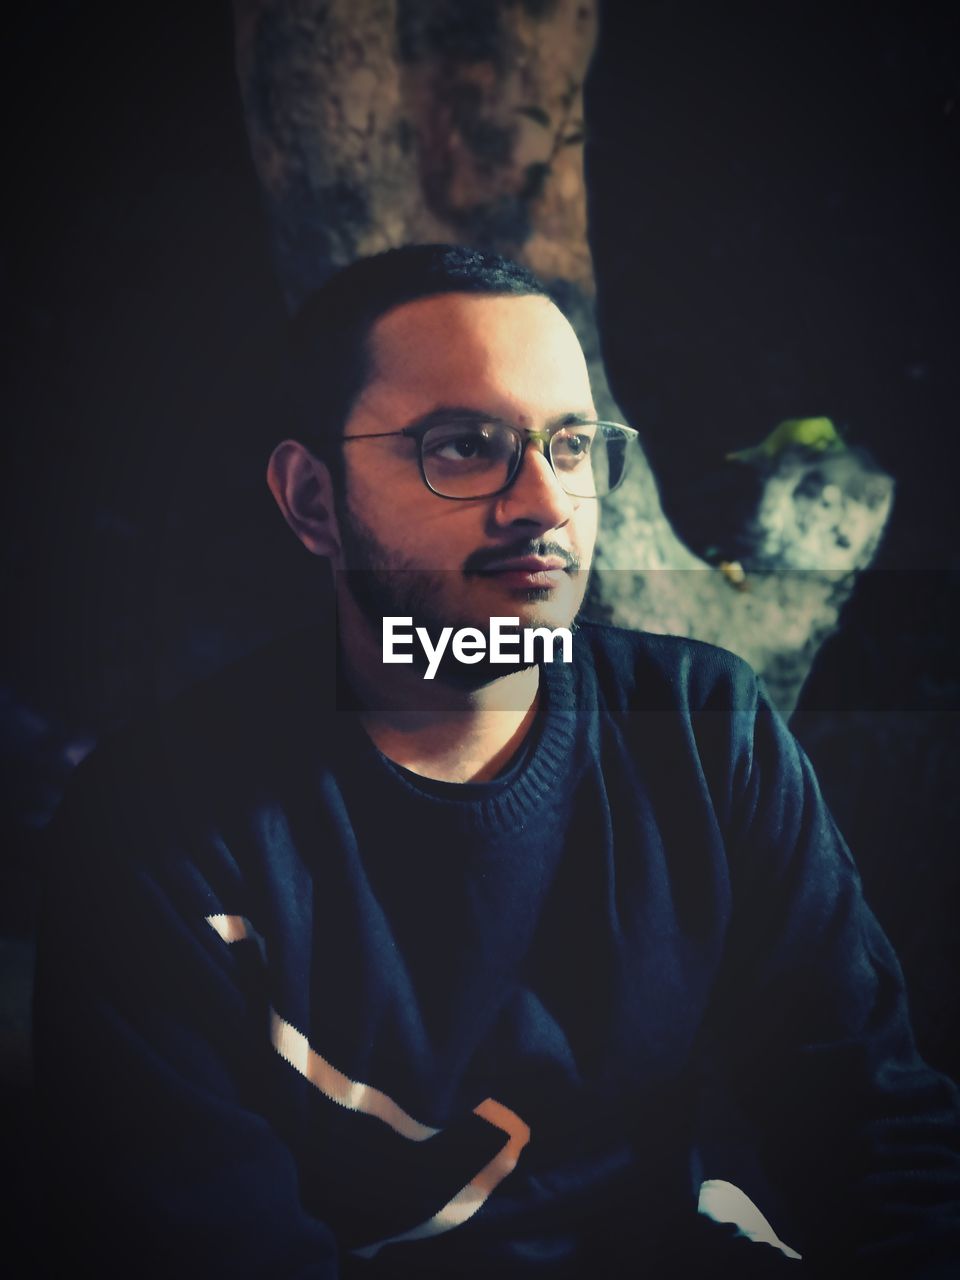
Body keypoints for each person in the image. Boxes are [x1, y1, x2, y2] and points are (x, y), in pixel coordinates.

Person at [34, 245, 959, 1278]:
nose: (546, 503)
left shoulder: (704, 731)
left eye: (570, 445)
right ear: (311, 500)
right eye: (464, 446)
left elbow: (881, 1137)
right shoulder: (158, 831)